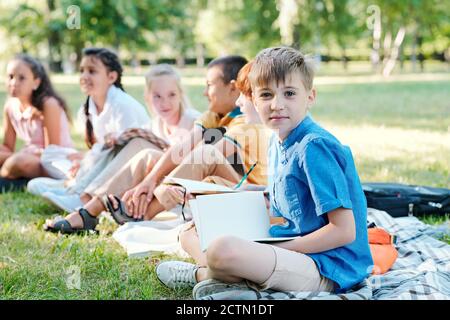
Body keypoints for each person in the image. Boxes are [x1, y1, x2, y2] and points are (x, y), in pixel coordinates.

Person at [156, 47, 374, 297]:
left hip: (327, 268)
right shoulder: (278, 139)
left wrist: (282, 247)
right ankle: (232, 281)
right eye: (266, 95)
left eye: (289, 93)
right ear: (253, 99)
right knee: (192, 230)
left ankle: (203, 274)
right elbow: (286, 195)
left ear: (310, 96)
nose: (277, 105)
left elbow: (344, 231)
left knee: (222, 249)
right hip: (289, 246)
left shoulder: (314, 147)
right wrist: (232, 195)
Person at [43, 55, 249, 234]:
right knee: (148, 156)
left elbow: (203, 159)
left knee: (203, 154)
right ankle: (91, 209)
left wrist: (155, 182)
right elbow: (181, 149)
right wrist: (148, 181)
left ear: (232, 88)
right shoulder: (213, 116)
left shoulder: (245, 120)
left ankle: (139, 213)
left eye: (209, 85)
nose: (204, 92)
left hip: (237, 192)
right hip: (199, 183)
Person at [27, 47, 150, 205]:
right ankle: (72, 186)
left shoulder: (123, 106)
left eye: (92, 71)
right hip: (98, 165)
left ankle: (80, 195)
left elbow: (126, 154)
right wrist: (84, 160)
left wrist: (90, 160)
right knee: (50, 155)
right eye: (82, 70)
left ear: (111, 77)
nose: (84, 76)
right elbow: (99, 148)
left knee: (111, 151)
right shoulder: (86, 110)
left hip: (127, 171)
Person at [0, 54, 73, 192]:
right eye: (10, 77)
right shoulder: (10, 106)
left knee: (17, 162)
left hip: (53, 161)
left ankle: (9, 179)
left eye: (21, 78)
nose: (14, 83)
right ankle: (13, 177)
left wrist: (18, 157)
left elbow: (52, 152)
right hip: (26, 156)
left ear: (36, 82)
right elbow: (8, 146)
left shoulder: (49, 104)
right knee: (15, 160)